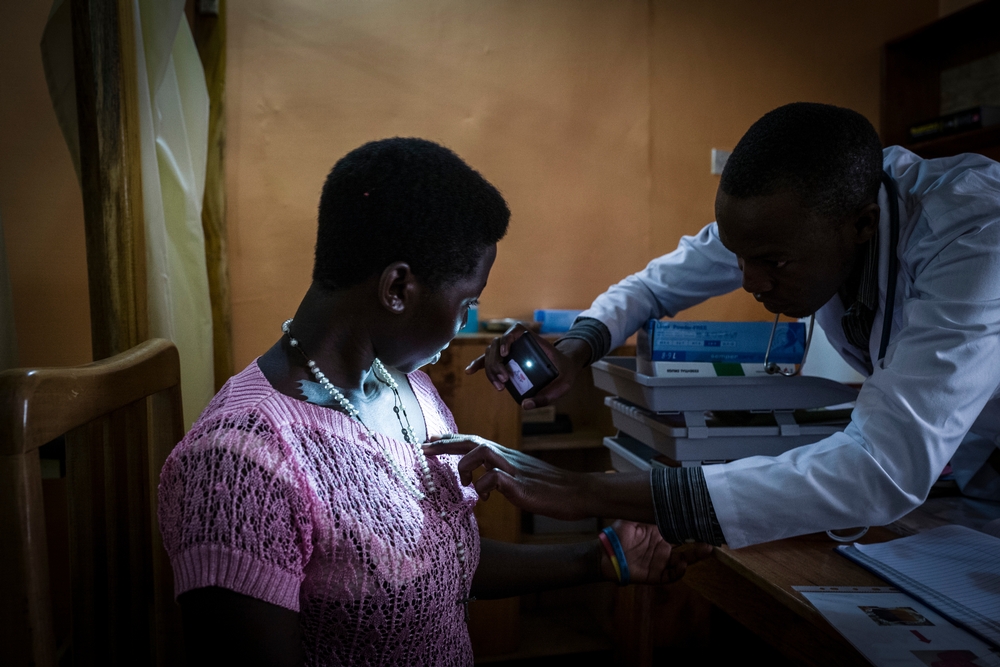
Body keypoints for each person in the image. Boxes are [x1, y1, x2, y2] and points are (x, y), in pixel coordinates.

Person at [157, 138, 710, 667]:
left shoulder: (410, 391)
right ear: (398, 288)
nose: (465, 321)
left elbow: (438, 562)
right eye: (467, 302)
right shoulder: (239, 463)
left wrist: (602, 556)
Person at [435, 102, 1000, 550]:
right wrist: (579, 347)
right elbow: (651, 287)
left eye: (772, 264)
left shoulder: (973, 237)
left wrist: (590, 490)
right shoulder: (796, 219)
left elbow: (880, 467)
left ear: (862, 225)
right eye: (738, 257)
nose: (751, 283)